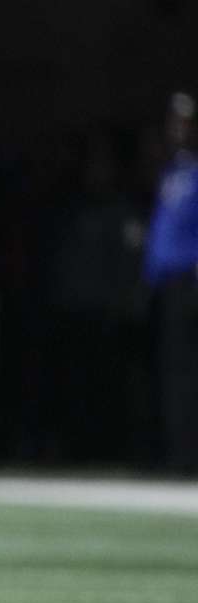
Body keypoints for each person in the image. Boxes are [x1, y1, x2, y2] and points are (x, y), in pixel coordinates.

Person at [145, 91, 198, 472]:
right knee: (168, 370)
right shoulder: (170, 172)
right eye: (173, 123)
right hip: (164, 285)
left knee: (185, 371)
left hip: (188, 283)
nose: (177, 130)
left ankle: (186, 455)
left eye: (185, 123)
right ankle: (172, 452)